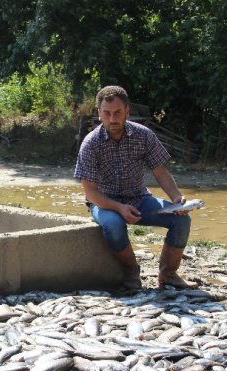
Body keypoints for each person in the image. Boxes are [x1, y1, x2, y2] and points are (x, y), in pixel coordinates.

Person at [74, 85, 197, 290]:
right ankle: (132, 272)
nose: (112, 119)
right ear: (99, 114)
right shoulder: (90, 144)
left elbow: (160, 172)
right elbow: (91, 192)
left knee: (182, 219)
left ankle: (168, 274)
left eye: (117, 113)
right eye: (107, 113)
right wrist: (119, 207)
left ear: (127, 112)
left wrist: (176, 198)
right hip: (104, 203)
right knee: (114, 225)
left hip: (139, 198)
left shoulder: (144, 135)